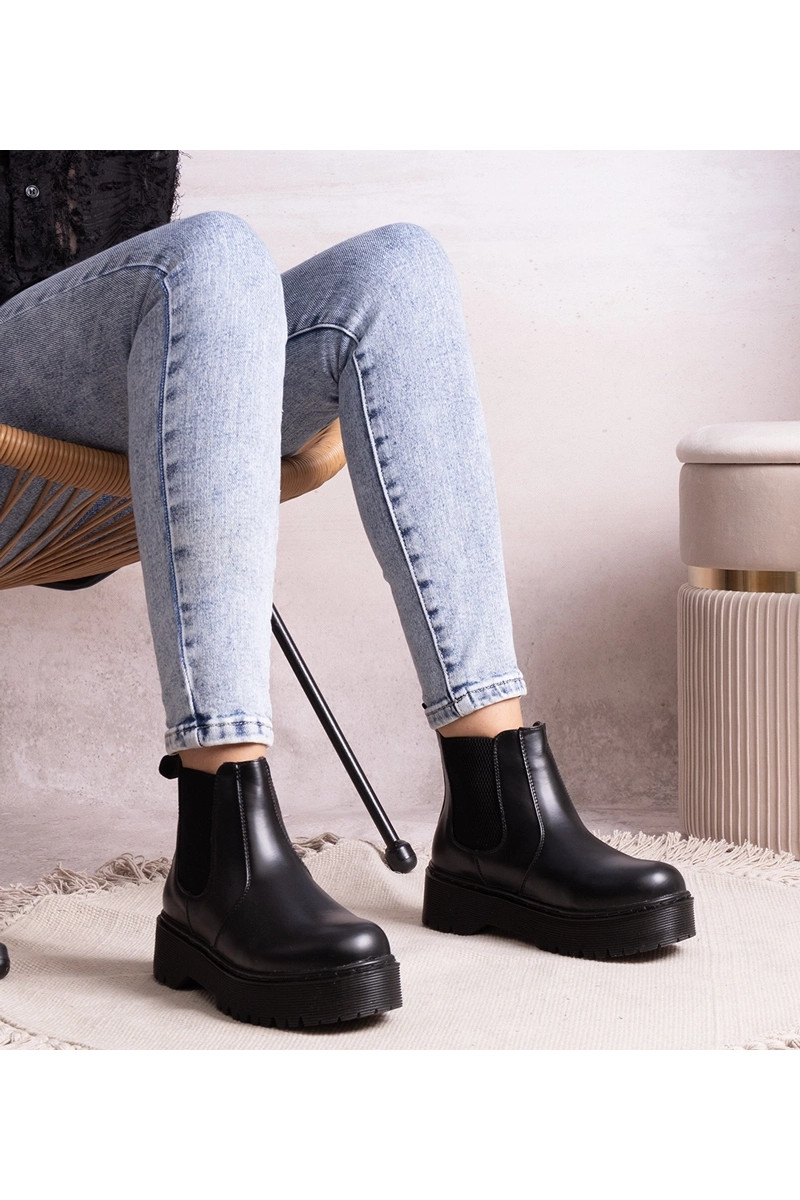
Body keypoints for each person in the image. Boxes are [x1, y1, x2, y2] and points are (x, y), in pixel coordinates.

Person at [0, 151, 695, 1029]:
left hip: (113, 381)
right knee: (209, 252)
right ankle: (219, 856)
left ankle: (497, 814)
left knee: (398, 269)